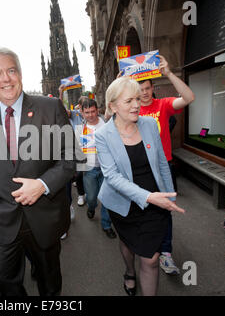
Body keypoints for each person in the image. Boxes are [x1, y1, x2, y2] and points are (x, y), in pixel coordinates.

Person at [0, 47, 75, 296]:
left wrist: (42, 184)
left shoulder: (50, 107)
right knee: (5, 280)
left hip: (44, 216)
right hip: (3, 218)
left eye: (11, 70)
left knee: (49, 282)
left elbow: (70, 158)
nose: (5, 79)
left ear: (20, 73)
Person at [96, 77, 185, 296]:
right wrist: (148, 197)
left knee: (151, 258)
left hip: (155, 204)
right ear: (113, 106)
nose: (137, 104)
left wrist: (168, 198)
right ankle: (129, 271)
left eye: (138, 98)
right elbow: (112, 176)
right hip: (122, 203)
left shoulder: (149, 124)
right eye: (129, 101)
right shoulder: (102, 135)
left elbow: (162, 163)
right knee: (128, 244)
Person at [137, 54, 195, 275]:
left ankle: (166, 254)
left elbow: (189, 97)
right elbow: (108, 114)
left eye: (147, 88)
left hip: (164, 167)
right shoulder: (131, 109)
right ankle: (146, 249)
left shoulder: (163, 105)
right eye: (139, 88)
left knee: (165, 210)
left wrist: (169, 73)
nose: (143, 92)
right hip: (140, 169)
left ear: (153, 88)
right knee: (142, 208)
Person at [75, 98, 116, 239]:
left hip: (107, 169)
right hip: (89, 170)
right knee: (92, 197)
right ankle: (91, 207)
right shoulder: (80, 129)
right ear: (82, 112)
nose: (91, 115)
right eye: (87, 112)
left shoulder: (106, 125)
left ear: (97, 110)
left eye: (93, 111)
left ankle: (106, 225)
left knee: (106, 198)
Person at [59, 84, 86, 207]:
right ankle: (79, 195)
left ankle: (84, 194)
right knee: (77, 173)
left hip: (87, 148)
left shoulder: (83, 114)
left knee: (83, 173)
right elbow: (59, 109)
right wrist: (61, 93)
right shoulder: (69, 117)